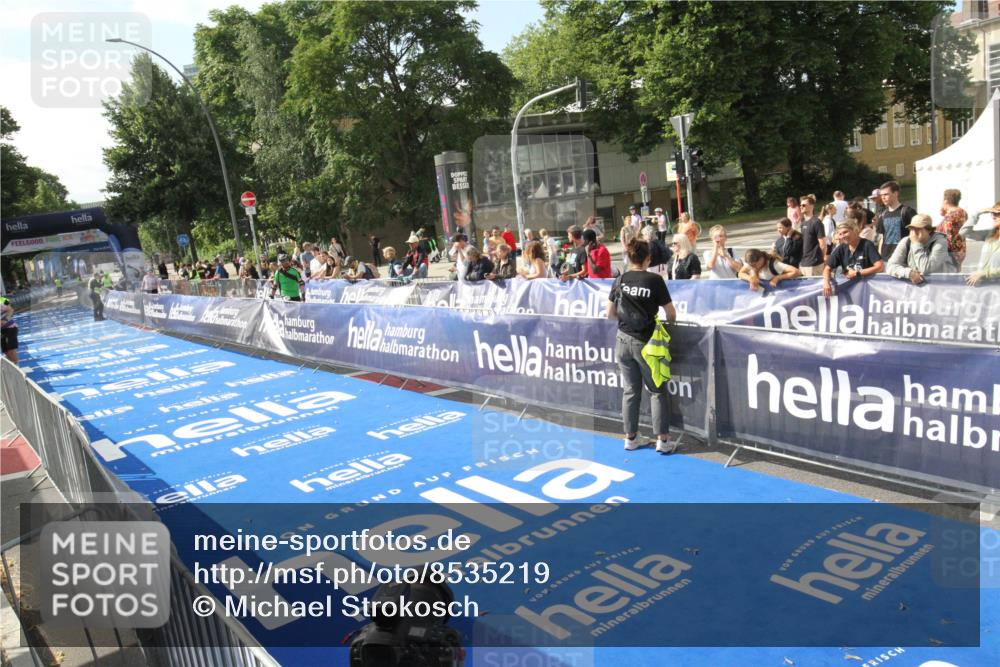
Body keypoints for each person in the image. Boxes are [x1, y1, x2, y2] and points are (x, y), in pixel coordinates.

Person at [606, 238, 677, 453]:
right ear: (648, 258)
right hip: (646, 343)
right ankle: (663, 441)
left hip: (622, 340)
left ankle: (631, 438)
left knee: (630, 390)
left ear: (628, 257)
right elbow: (671, 314)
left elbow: (609, 314)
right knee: (657, 391)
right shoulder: (654, 280)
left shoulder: (619, 280)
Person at [886, 214, 955, 284]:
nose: (914, 232)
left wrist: (916, 244)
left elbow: (926, 269)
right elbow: (890, 266)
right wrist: (909, 273)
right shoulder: (906, 241)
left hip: (939, 285)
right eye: (912, 228)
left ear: (929, 230)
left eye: (918, 229)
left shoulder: (940, 242)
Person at [823, 220, 884, 297]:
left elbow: (880, 266)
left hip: (868, 290)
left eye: (845, 232)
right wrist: (826, 283)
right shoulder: (841, 248)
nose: (843, 236)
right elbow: (827, 268)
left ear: (855, 230)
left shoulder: (867, 245)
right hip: (850, 291)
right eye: (840, 234)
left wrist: (857, 273)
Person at [875, 180, 916, 261]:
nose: (883, 197)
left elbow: (916, 234)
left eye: (886, 194)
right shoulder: (883, 214)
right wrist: (879, 256)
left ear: (895, 194)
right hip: (886, 257)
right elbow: (883, 237)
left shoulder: (907, 211)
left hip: (903, 257)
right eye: (882, 195)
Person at [961, 202, 1000, 286]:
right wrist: (978, 213)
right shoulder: (990, 233)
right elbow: (964, 233)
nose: (993, 216)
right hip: (985, 287)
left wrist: (983, 273)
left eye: (998, 214)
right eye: (992, 213)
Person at [937, 188, 967, 270]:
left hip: (950, 253)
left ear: (945, 201)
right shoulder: (963, 212)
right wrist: (945, 213)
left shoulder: (949, 218)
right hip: (960, 249)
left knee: (950, 279)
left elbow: (947, 236)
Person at [798, 194, 827, 277]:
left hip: (814, 263)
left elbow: (823, 244)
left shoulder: (816, 222)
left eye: (803, 205)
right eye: (800, 205)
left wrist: (820, 259)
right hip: (803, 262)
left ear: (811, 206)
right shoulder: (803, 222)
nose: (801, 207)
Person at [1, 297, 19, 365]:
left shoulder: (4, 300)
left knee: (11, 350)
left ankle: (16, 367)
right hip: (2, 331)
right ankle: (13, 367)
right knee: (6, 351)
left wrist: (5, 320)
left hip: (10, 328)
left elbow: (11, 310)